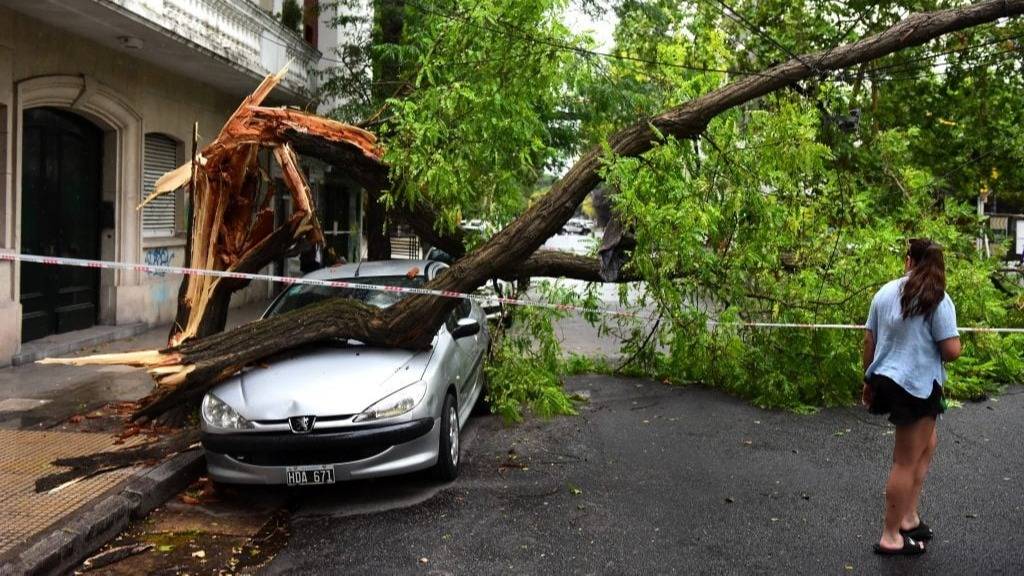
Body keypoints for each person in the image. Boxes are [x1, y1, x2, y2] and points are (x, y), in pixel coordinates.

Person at [862, 238, 961, 556]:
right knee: (904, 461)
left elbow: (869, 340)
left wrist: (868, 379)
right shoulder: (937, 297)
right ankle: (890, 536)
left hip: (886, 381)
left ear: (908, 261)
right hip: (916, 387)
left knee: (927, 444)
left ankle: (908, 516)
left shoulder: (884, 292)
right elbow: (951, 350)